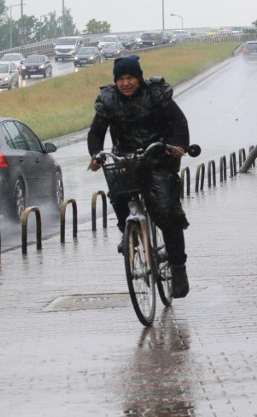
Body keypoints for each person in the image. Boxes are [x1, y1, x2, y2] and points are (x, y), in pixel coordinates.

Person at [87, 55, 191, 298]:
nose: (126, 83)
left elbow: (178, 121)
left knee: (167, 213)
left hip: (158, 158)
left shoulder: (156, 94)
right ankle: (128, 232)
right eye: (121, 79)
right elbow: (96, 132)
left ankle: (178, 268)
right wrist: (96, 154)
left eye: (130, 77)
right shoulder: (108, 100)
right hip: (125, 160)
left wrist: (177, 145)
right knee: (118, 194)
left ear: (139, 77)